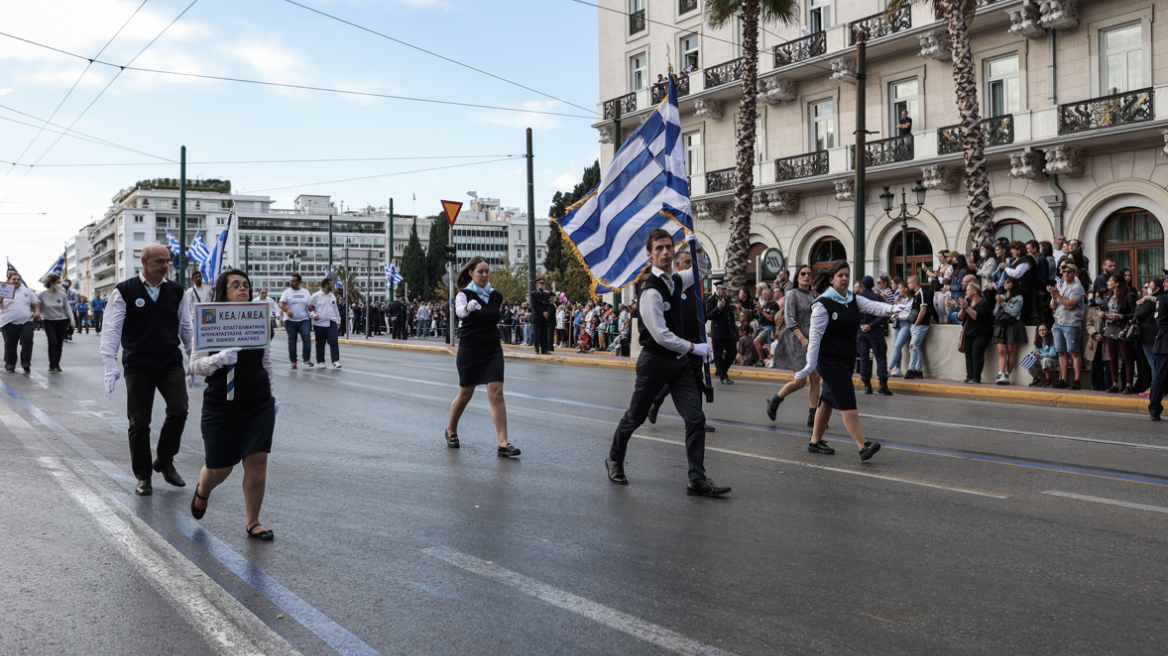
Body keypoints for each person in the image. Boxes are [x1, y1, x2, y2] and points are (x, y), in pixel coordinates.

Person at [606, 229, 727, 497]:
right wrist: (696, 348)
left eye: (669, 247)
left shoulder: (676, 280)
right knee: (635, 416)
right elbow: (661, 336)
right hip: (655, 361)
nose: (665, 252)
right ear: (650, 254)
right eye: (659, 248)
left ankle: (697, 479)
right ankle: (615, 458)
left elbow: (702, 270)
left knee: (695, 418)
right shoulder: (651, 291)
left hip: (678, 361)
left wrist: (697, 247)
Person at [188, 269, 278, 541]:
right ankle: (203, 490)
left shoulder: (259, 318)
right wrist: (219, 359)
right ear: (223, 291)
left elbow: (266, 360)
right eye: (235, 285)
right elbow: (195, 365)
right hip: (221, 404)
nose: (243, 289)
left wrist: (272, 394)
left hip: (257, 401)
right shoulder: (208, 319)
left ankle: (253, 522)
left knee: (257, 460)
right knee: (220, 468)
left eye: (246, 285)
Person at [100, 243, 193, 497]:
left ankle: (164, 459)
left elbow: (185, 325)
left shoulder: (176, 290)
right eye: (160, 261)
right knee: (139, 422)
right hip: (138, 366)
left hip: (169, 363)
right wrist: (110, 363)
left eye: (167, 261)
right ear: (144, 261)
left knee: (179, 410)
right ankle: (143, 476)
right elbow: (111, 329)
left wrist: (192, 356)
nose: (165, 266)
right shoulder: (124, 291)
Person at [787, 261, 898, 460]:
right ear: (831, 279)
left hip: (845, 359)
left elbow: (875, 307)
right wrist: (809, 365)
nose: (845, 278)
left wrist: (897, 309)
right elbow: (815, 338)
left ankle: (814, 441)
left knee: (828, 400)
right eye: (840, 275)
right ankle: (863, 446)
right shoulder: (822, 303)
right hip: (829, 361)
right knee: (847, 399)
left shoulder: (852, 299)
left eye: (847, 275)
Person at [445, 256, 520, 457]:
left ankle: (503, 443)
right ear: (471, 273)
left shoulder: (496, 296)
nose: (485, 275)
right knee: (466, 394)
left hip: (493, 350)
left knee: (497, 394)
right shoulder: (464, 294)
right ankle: (451, 429)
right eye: (480, 271)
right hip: (470, 350)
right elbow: (460, 312)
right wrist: (468, 307)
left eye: (487, 271)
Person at [646, 249, 715, 433]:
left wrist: (705, 342)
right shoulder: (673, 288)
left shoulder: (695, 289)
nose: (691, 267)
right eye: (687, 263)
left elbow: (701, 317)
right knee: (676, 379)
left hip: (696, 345)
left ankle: (698, 418)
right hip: (679, 345)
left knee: (697, 381)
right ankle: (656, 402)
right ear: (677, 265)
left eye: (692, 263)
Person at [766, 265, 823, 426]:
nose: (806, 276)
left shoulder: (813, 296)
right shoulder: (792, 294)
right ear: (798, 277)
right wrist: (803, 339)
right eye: (803, 274)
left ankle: (813, 416)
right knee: (800, 381)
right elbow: (790, 320)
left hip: (811, 341)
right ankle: (775, 399)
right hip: (796, 340)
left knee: (816, 377)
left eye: (809, 274)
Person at [1048, 262, 1085, 389]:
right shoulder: (1061, 286)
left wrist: (1057, 294)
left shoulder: (1077, 287)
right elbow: (1053, 307)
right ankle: (1064, 379)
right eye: (1064, 272)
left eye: (1069, 271)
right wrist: (1054, 297)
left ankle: (1077, 380)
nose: (1066, 274)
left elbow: (1070, 305)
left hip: (1071, 324)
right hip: (1058, 322)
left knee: (1074, 352)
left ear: (1075, 273)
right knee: (1061, 352)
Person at [856, 275, 892, 396]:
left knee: (864, 357)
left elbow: (852, 315)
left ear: (862, 286)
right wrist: (871, 325)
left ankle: (867, 385)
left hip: (862, 332)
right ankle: (882, 384)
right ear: (873, 285)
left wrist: (861, 325)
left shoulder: (857, 298)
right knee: (880, 357)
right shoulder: (877, 297)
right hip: (875, 331)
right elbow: (884, 314)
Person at [1104, 273, 1138, 394]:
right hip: (1110, 327)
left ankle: (1128, 385)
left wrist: (1121, 316)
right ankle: (1115, 384)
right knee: (1112, 357)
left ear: (1117, 283)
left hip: (1123, 327)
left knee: (1126, 357)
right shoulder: (1108, 297)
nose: (1107, 283)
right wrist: (1104, 315)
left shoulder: (1128, 296)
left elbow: (1135, 314)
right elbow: (1106, 310)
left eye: (1110, 281)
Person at [1, 271, 40, 373]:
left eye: (18, 279)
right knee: (10, 344)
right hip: (8, 322)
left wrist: (37, 310)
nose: (16, 281)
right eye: (14, 279)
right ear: (9, 280)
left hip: (26, 321)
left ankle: (26, 363)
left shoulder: (27, 291)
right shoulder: (4, 290)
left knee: (27, 341)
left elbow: (35, 302)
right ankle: (10, 364)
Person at [957, 282, 995, 383]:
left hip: (982, 333)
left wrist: (967, 307)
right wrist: (963, 307)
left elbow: (976, 316)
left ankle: (976, 378)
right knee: (968, 354)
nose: (966, 292)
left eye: (968, 290)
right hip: (970, 332)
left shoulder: (984, 303)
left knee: (977, 353)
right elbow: (960, 317)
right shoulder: (968, 302)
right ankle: (969, 376)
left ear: (975, 291)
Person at [37, 273, 74, 374]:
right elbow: (36, 306)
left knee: (59, 343)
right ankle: (52, 364)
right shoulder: (42, 295)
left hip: (62, 320)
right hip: (49, 321)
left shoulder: (62, 294)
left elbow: (67, 307)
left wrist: (72, 320)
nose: (60, 284)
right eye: (58, 282)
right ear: (52, 283)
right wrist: (35, 312)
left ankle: (57, 364)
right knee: (52, 341)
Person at [993, 277, 1026, 385]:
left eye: (1008, 281)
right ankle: (1000, 373)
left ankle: (1007, 374)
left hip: (1013, 325)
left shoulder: (1019, 297)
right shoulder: (1001, 296)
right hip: (1001, 325)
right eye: (1004, 281)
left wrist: (1003, 304)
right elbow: (994, 313)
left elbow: (1014, 313)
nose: (1005, 283)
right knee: (1002, 351)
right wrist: (998, 304)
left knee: (1011, 351)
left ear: (1014, 284)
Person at [705, 280, 737, 384]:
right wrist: (718, 308)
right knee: (718, 355)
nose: (725, 291)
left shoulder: (727, 298)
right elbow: (709, 316)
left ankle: (720, 370)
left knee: (732, 352)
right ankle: (723, 377)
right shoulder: (711, 300)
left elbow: (730, 316)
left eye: (726, 289)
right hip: (718, 332)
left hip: (729, 331)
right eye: (723, 289)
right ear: (717, 289)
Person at [279, 274, 313, 369]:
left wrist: (310, 307)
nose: (291, 282)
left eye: (293, 281)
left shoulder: (305, 292)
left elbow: (310, 304)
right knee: (292, 341)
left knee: (306, 338)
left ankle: (306, 359)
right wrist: (287, 311)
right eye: (290, 281)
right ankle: (293, 361)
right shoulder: (287, 292)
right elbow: (281, 304)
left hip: (304, 320)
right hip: (290, 321)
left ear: (299, 282)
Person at [1146, 274, 1168, 420]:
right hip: (1165, 345)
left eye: (1167, 281)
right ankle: (1154, 409)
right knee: (1160, 378)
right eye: (1165, 281)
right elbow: (1162, 322)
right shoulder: (1163, 298)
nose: (1165, 283)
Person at [905, 275, 935, 379]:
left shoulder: (922, 293)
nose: (908, 285)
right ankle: (918, 371)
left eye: (909, 283)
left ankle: (911, 370)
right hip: (916, 325)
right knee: (916, 348)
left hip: (920, 326)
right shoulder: (916, 294)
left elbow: (923, 310)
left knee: (912, 346)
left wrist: (916, 323)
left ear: (915, 283)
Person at [308, 278, 342, 369]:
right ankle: (321, 362)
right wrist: (313, 315)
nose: (332, 286)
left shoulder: (332, 296)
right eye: (331, 284)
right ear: (326, 285)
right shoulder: (315, 296)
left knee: (334, 342)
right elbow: (309, 309)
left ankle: (335, 361)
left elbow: (335, 309)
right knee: (320, 343)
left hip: (332, 323)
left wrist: (338, 321)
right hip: (319, 324)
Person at [887, 280, 915, 377]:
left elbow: (908, 314)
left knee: (898, 346)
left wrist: (899, 316)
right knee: (895, 347)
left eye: (900, 288)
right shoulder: (898, 298)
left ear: (906, 289)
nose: (898, 290)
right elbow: (895, 309)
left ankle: (889, 368)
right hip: (897, 323)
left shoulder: (912, 299)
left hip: (906, 324)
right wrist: (894, 315)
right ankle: (898, 369)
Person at [753, 288, 779, 365]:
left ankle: (761, 360)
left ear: (769, 296)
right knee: (764, 346)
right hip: (762, 327)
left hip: (769, 328)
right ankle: (764, 360)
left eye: (764, 294)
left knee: (756, 341)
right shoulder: (765, 305)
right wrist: (759, 310)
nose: (762, 296)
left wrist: (762, 311)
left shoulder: (774, 305)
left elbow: (771, 318)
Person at [530, 278, 554, 354]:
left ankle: (544, 349)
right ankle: (537, 348)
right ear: (537, 285)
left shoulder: (545, 294)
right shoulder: (533, 294)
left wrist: (547, 312)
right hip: (537, 316)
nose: (542, 285)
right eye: (541, 284)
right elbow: (534, 305)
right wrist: (543, 312)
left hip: (544, 317)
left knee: (544, 333)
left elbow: (547, 304)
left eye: (543, 284)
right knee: (537, 333)